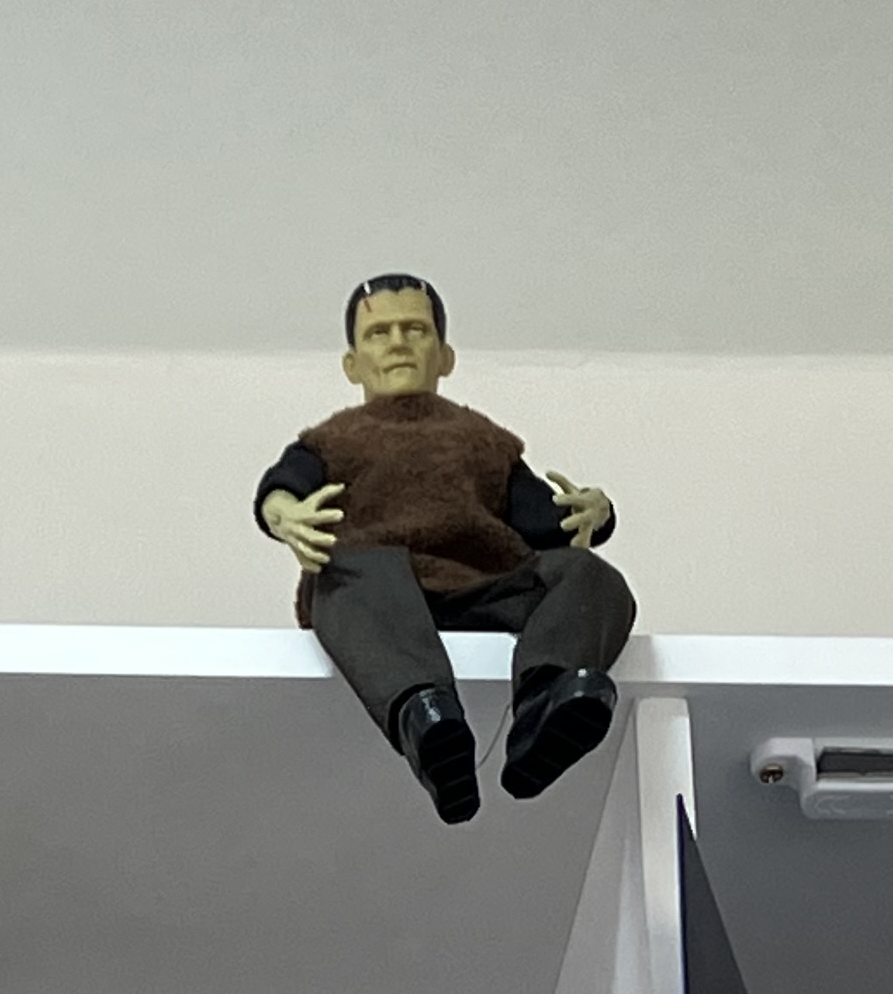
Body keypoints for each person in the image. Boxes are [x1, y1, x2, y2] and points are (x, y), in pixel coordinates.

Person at [253, 274, 633, 824]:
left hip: (487, 587)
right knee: (343, 569)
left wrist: (597, 512)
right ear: (352, 364)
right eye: (379, 333)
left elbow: (548, 521)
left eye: (415, 329)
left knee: (588, 574)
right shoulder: (331, 441)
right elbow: (285, 483)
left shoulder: (483, 440)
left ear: (445, 355)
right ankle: (425, 716)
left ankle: (545, 703)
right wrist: (283, 513)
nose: (398, 343)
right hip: (379, 599)